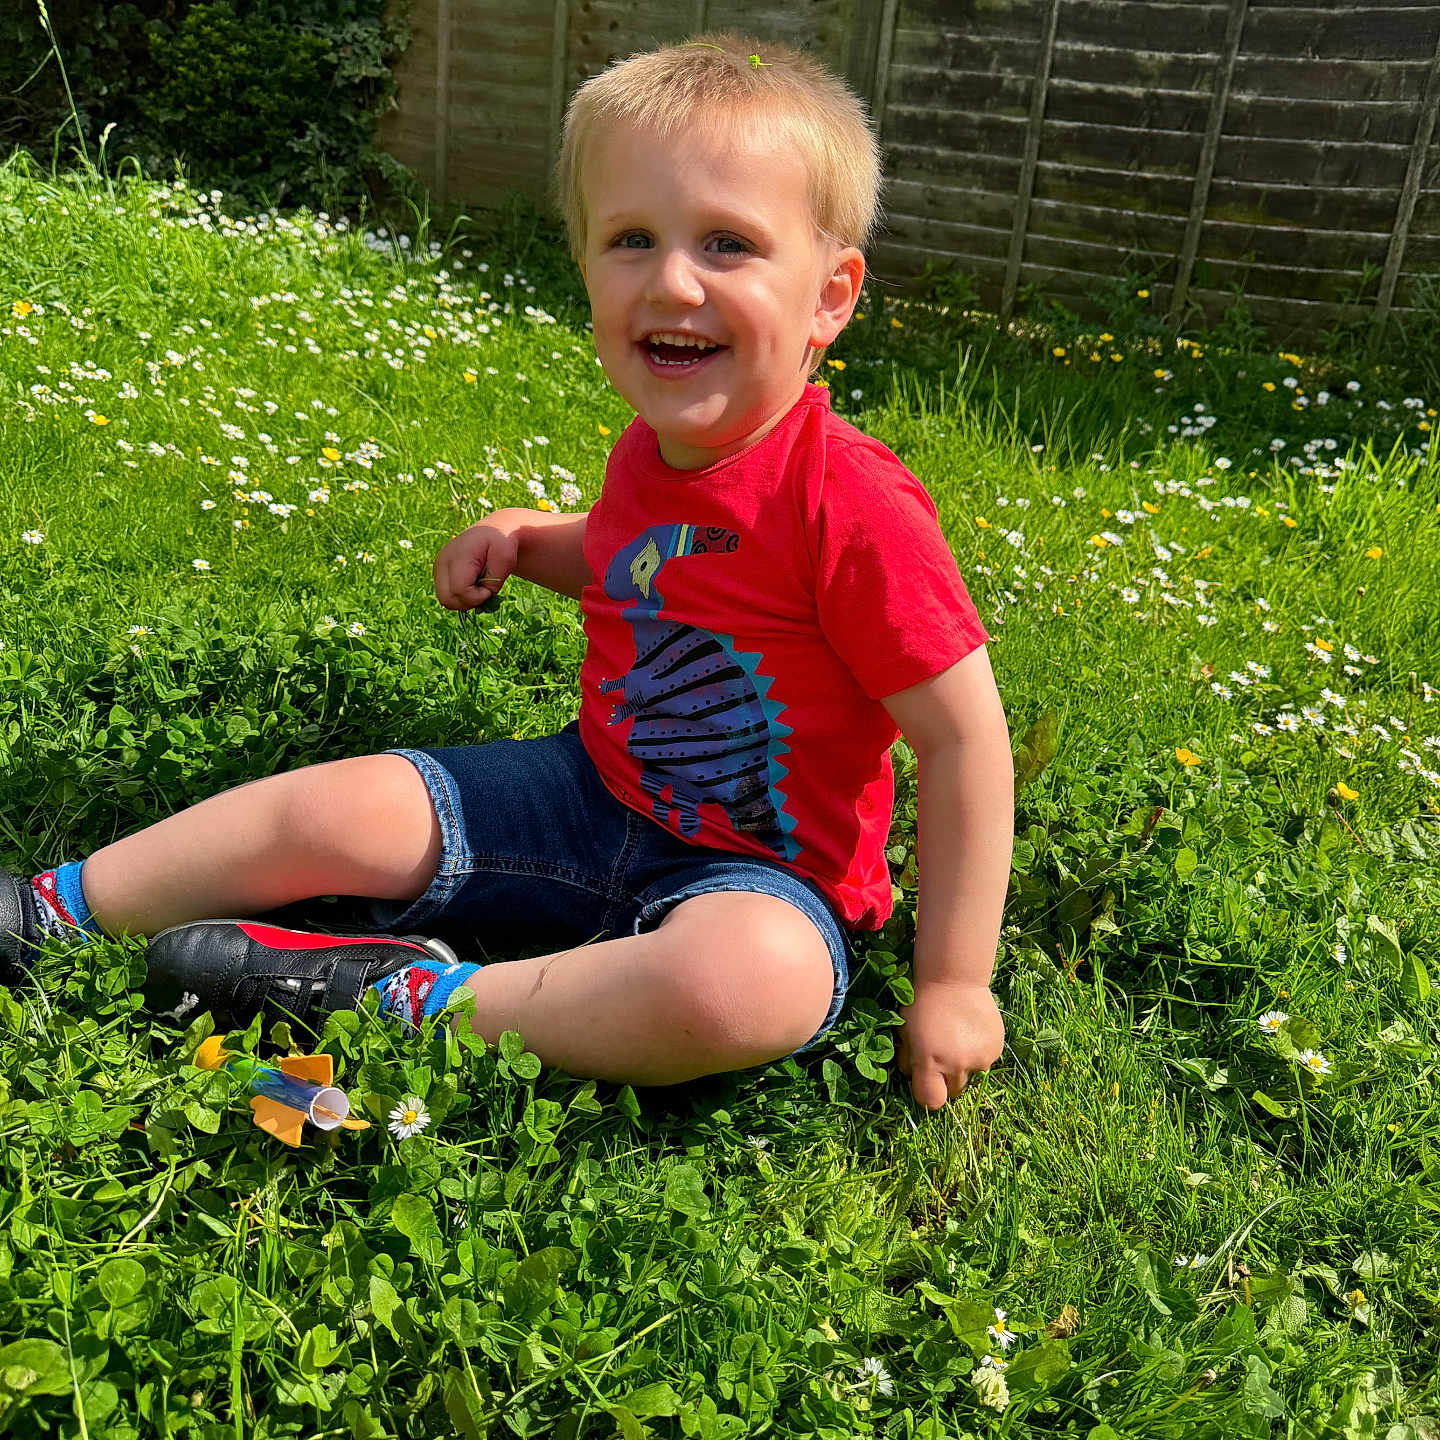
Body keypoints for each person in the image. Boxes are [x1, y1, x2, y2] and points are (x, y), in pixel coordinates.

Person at [0, 32, 1012, 1110]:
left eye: (727, 244)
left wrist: (954, 982)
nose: (672, 281)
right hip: (586, 793)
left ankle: (415, 1000)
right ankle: (54, 910)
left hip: (761, 878)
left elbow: (964, 742)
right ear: (585, 269)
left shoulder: (847, 499)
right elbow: (641, 562)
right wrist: (535, 544)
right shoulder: (652, 453)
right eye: (631, 239)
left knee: (746, 985)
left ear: (830, 296)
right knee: (339, 807)